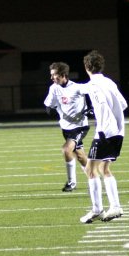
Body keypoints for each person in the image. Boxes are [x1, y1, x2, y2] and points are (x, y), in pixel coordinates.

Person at [77, 51, 128, 223]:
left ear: (86, 67)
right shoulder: (110, 82)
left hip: (105, 132)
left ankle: (102, 208)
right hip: (119, 132)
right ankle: (112, 207)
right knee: (103, 169)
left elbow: (81, 89)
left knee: (91, 170)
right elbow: (123, 104)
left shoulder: (92, 86)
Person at [44, 61, 90, 191]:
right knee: (81, 157)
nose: (52, 78)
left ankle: (72, 183)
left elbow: (93, 91)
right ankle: (94, 176)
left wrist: (91, 108)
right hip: (66, 128)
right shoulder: (54, 88)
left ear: (63, 74)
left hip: (80, 127)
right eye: (51, 75)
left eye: (54, 75)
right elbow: (49, 103)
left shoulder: (77, 88)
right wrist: (49, 107)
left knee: (66, 150)